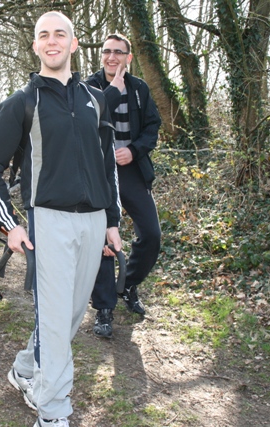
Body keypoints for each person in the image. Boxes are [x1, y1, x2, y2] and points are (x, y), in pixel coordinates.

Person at [0, 11, 121, 427]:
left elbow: (107, 164)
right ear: (36, 45)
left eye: (60, 34)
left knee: (70, 316)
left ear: (74, 44)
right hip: (50, 222)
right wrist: (11, 223)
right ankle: (53, 411)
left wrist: (112, 221)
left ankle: (25, 369)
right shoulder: (22, 102)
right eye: (44, 35)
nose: (52, 41)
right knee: (56, 322)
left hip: (94, 222)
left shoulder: (96, 98)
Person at [86, 34, 162, 337]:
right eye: (107, 52)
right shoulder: (87, 87)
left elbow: (152, 128)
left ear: (128, 58)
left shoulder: (140, 89)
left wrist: (133, 150)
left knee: (152, 235)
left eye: (118, 52)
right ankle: (104, 308)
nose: (112, 57)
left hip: (131, 171)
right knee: (102, 239)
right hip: (98, 173)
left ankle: (127, 285)